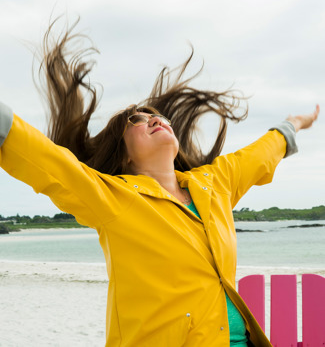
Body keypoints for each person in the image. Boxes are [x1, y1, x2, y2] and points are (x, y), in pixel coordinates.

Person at [0, 19, 320, 347]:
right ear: (123, 156)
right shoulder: (115, 199)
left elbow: (260, 154)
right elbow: (48, 163)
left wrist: (293, 124)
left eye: (158, 116)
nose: (155, 119)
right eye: (135, 121)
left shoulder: (214, 184)